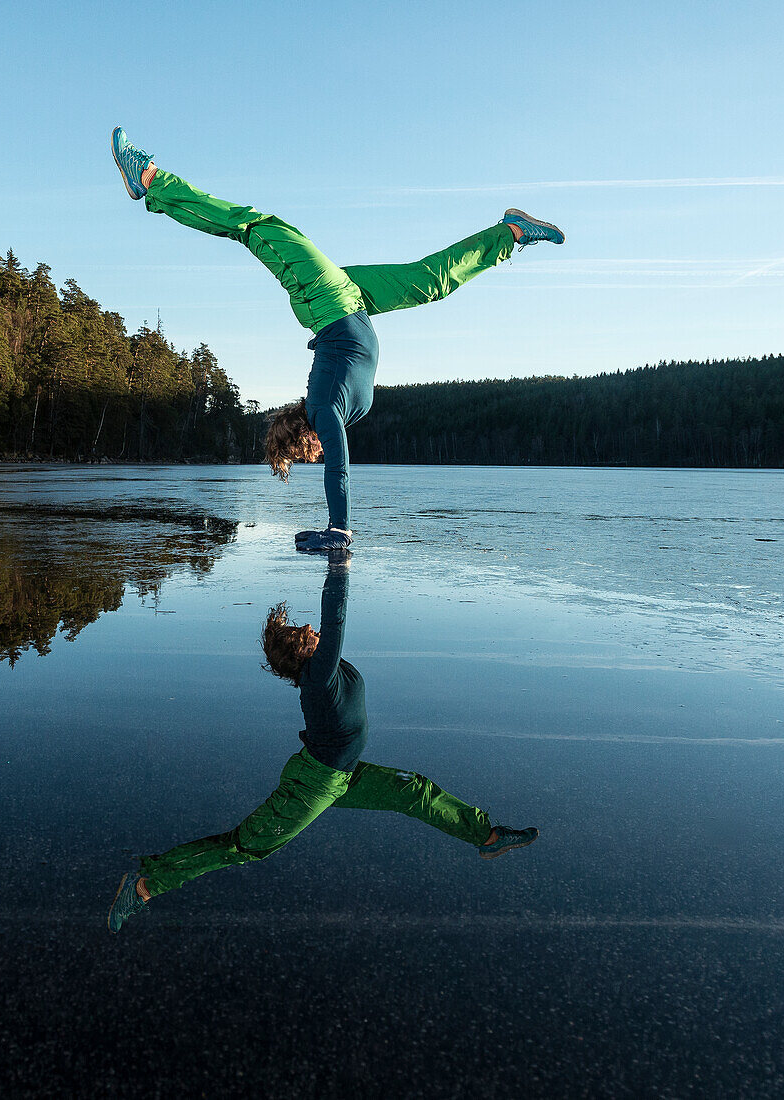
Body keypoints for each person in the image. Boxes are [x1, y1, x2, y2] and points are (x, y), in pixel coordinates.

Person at [110, 128, 565, 552]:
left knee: (253, 226)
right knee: (430, 282)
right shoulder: (336, 412)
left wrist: (339, 527)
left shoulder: (328, 410)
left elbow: (337, 469)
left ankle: (151, 181)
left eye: (307, 449)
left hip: (328, 302)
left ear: (304, 434)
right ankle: (513, 233)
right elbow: (337, 466)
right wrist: (339, 529)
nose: (320, 450)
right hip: (347, 305)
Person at [108, 562, 538, 931]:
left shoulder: (321, 669)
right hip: (313, 784)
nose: (310, 629)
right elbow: (335, 619)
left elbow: (328, 631)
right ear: (303, 651)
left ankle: (488, 835)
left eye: (305, 627)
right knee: (244, 846)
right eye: (302, 631)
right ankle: (146, 884)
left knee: (415, 791)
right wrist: (338, 566)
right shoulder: (318, 677)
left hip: (339, 774)